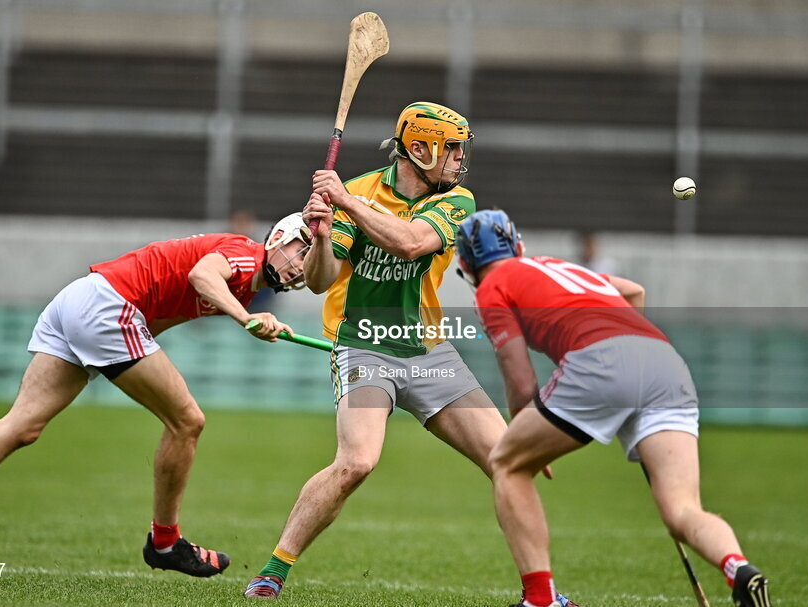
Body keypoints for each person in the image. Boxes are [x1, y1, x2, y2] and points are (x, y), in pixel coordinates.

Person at [244, 102, 570, 606]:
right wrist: (325, 236)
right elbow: (320, 281)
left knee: (510, 461)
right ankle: (273, 570)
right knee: (356, 462)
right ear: (419, 149)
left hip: (429, 351)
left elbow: (413, 244)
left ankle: (541, 598)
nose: (460, 158)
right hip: (363, 346)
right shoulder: (357, 191)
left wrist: (346, 205)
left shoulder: (457, 200)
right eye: (453, 148)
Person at [0, 214, 312, 577]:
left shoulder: (240, 289)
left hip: (82, 301)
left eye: (306, 262)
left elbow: (166, 313)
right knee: (187, 421)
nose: (299, 265)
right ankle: (165, 542)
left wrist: (114, 357)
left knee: (22, 426)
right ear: (276, 238)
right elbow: (200, 275)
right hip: (108, 309)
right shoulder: (245, 254)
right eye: (298, 249)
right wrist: (246, 318)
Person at [454, 210, 773, 607]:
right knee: (682, 508)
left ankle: (540, 600)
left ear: (466, 264)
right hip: (664, 362)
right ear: (517, 245)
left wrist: (526, 434)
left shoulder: (492, 288)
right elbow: (634, 292)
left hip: (601, 363)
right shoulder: (553, 266)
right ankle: (738, 568)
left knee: (506, 463)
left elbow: (520, 381)